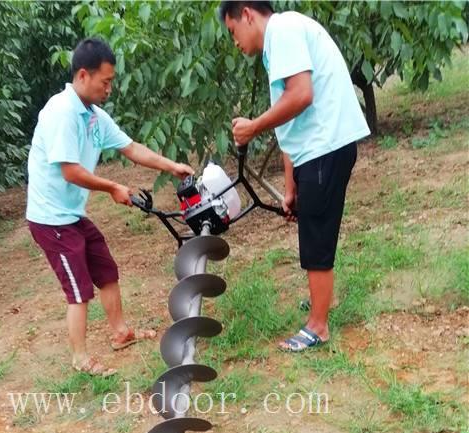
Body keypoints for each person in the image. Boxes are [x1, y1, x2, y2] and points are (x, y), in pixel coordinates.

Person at [27, 38, 194, 376]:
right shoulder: (62, 112)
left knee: (106, 269)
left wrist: (170, 166)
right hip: (50, 219)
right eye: (106, 81)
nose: (110, 88)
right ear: (84, 75)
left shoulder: (93, 116)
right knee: (78, 289)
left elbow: (131, 148)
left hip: (72, 215)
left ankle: (121, 332)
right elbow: (70, 170)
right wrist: (113, 187)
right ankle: (80, 358)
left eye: (112, 81)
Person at [219, 1, 370, 351]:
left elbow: (301, 95)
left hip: (326, 145)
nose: (235, 42)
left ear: (246, 14)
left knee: (317, 232)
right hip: (317, 147)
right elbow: (290, 120)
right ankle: (323, 302)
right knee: (311, 224)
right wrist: (290, 187)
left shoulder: (283, 30)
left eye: (232, 32)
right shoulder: (278, 44)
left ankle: (318, 326)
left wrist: (254, 126)